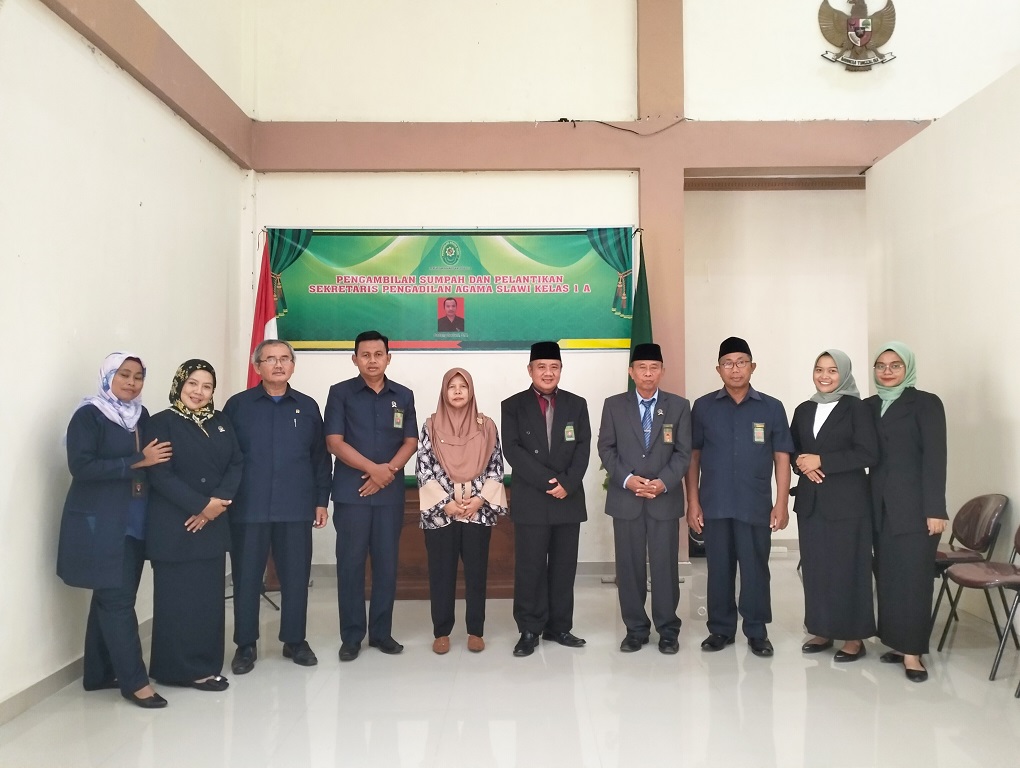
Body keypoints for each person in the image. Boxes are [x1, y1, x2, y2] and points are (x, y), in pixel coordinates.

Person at [57, 352, 173, 709]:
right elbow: (82, 466)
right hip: (102, 523)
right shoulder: (89, 415)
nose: (131, 383)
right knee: (117, 600)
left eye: (138, 376)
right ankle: (135, 682)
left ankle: (97, 672)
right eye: (124, 374)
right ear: (108, 376)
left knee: (110, 597)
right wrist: (138, 461)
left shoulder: (141, 416)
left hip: (135, 521)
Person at [223, 340, 332, 675]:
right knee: (246, 578)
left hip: (295, 507)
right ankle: (245, 644)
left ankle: (295, 641)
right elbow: (225, 456)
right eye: (270, 359)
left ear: (293, 366)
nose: (279, 364)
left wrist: (320, 501)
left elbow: (319, 458)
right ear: (257, 366)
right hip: (248, 507)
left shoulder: (308, 406)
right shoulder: (238, 406)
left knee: (296, 577)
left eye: (285, 358)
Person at [685, 337, 793, 657]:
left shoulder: (771, 407)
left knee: (756, 568)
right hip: (715, 503)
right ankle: (720, 629)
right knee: (718, 569)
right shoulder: (703, 407)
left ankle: (757, 631)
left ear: (752, 367)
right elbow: (693, 457)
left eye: (741, 362)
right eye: (728, 363)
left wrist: (782, 503)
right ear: (718, 369)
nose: (735, 369)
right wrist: (693, 502)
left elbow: (782, 457)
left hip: (754, 503)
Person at [145, 360, 243, 691]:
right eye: (192, 384)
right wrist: (201, 506)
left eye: (206, 386)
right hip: (176, 526)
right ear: (179, 384)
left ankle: (205, 665)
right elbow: (160, 474)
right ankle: (175, 669)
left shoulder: (221, 422)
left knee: (208, 601)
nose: (199, 392)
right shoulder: (161, 422)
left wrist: (216, 504)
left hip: (213, 524)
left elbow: (236, 463)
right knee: (176, 601)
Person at [325, 330, 418, 661]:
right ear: (355, 359)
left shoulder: (403, 395)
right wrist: (373, 470)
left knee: (386, 564)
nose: (372, 360)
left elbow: (410, 441)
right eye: (365, 355)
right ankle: (351, 636)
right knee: (350, 565)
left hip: (389, 495)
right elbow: (334, 441)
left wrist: (386, 473)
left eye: (379, 354)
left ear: (388, 358)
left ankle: (381, 633)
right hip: (352, 494)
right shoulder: (340, 393)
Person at [597, 343, 692, 654]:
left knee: (665, 567)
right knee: (629, 568)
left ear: (662, 371)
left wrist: (663, 482)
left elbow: (683, 452)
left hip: (663, 499)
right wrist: (627, 480)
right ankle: (635, 630)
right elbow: (606, 448)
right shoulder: (614, 405)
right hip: (627, 499)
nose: (648, 373)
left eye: (654, 368)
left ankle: (668, 630)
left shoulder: (679, 406)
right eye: (642, 367)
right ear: (631, 372)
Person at [502, 341, 590, 657]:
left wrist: (568, 483)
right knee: (530, 568)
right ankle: (529, 629)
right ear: (530, 370)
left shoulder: (577, 404)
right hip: (532, 499)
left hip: (568, 498)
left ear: (561, 370)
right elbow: (512, 450)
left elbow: (583, 447)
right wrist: (548, 482)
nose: (548, 372)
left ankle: (559, 627)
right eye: (542, 367)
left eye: (554, 367)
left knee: (564, 568)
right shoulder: (512, 405)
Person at [790, 350, 878, 661]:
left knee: (849, 570)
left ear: (844, 374)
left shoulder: (857, 408)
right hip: (811, 503)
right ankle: (822, 629)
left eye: (832, 370)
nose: (824, 376)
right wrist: (802, 463)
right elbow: (793, 449)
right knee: (816, 570)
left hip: (847, 503)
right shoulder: (804, 409)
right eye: (819, 369)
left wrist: (822, 461)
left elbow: (868, 453)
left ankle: (854, 637)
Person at [867, 341, 947, 682]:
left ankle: (913, 653)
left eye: (895, 365)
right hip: (878, 508)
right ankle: (897, 644)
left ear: (908, 368)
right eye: (881, 365)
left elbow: (935, 457)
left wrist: (936, 509)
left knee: (914, 581)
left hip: (916, 509)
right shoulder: (868, 406)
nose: (887, 371)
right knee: (888, 579)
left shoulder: (926, 403)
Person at [416, 368, 507, 653]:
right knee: (441, 573)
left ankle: (475, 631)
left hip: (477, 512)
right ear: (444, 391)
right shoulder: (431, 426)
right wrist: (447, 504)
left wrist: (479, 500)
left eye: (463, 386)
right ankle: (441, 632)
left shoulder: (486, 426)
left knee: (476, 573)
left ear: (471, 391)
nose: (457, 391)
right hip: (441, 514)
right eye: (451, 386)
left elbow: (496, 467)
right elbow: (424, 469)